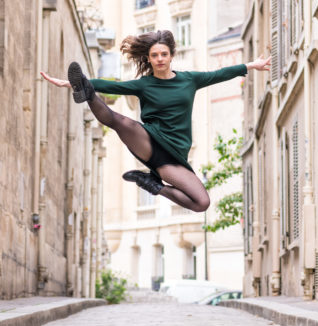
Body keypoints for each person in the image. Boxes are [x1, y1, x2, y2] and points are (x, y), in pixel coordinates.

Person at [41, 30, 270, 213]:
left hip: (175, 156)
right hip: (150, 141)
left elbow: (220, 73)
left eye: (163, 54)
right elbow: (111, 86)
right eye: (154, 55)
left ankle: (152, 185)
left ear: (171, 55)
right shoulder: (144, 84)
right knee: (120, 122)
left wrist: (251, 65)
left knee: (201, 203)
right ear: (148, 59)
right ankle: (85, 92)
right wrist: (69, 83)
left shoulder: (190, 80)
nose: (159, 59)